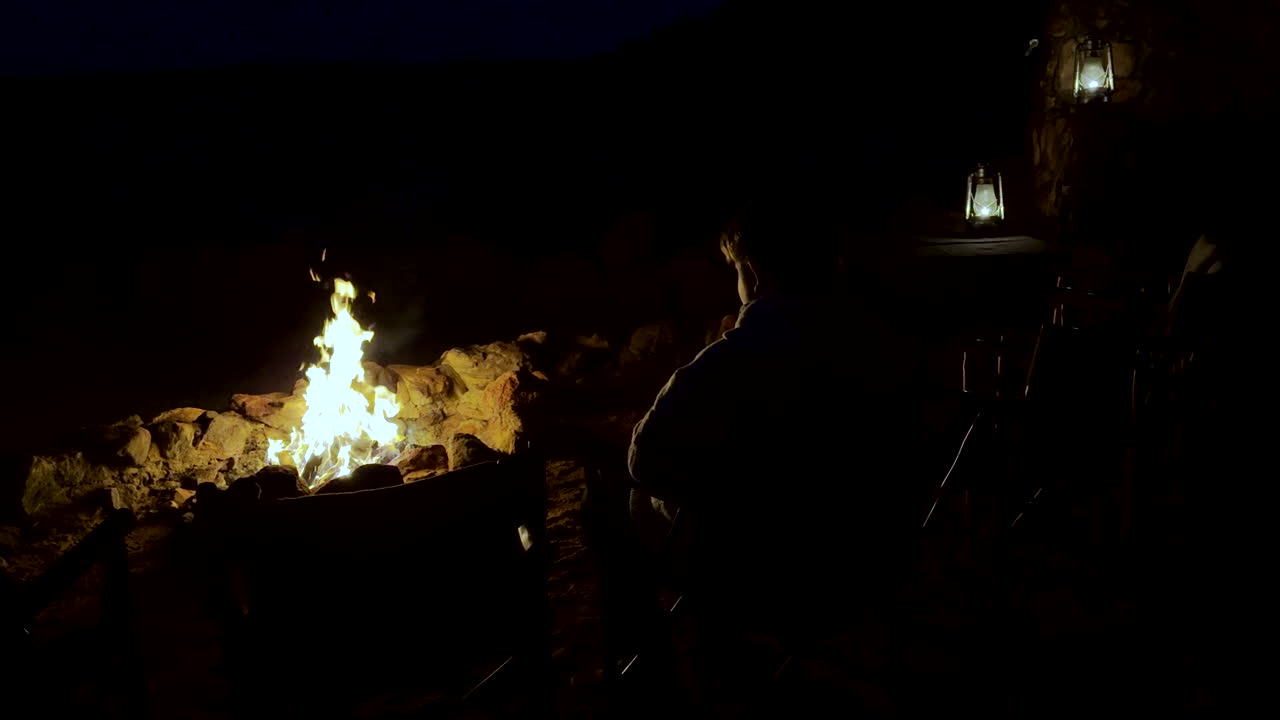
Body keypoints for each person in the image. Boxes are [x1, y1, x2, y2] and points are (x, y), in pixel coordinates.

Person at [624, 191, 929, 707]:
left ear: (756, 274)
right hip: (872, 552)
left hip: (770, 574)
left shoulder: (735, 359)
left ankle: (654, 672)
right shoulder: (880, 340)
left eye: (735, 271)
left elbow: (645, 458)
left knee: (624, 500)